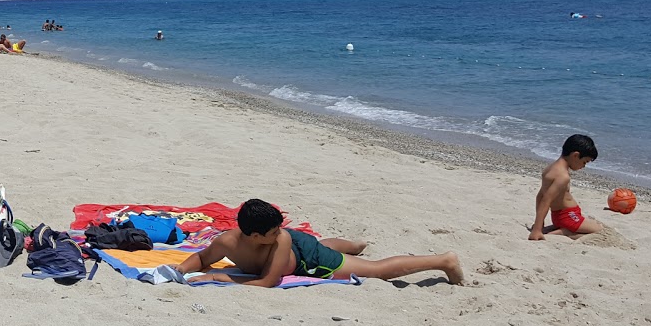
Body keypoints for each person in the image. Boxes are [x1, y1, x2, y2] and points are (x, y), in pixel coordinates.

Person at [175, 199, 464, 286]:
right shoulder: (227, 242)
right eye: (273, 230)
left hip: (306, 259)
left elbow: (268, 282)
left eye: (278, 228)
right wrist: (180, 271)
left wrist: (216, 276)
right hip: (301, 247)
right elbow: (201, 258)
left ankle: (443, 260)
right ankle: (353, 244)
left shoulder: (281, 239)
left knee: (376, 271)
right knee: (320, 243)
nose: (279, 231)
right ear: (253, 236)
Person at [529, 134, 603, 240]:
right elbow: (546, 200)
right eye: (584, 162)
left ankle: (562, 229)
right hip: (569, 217)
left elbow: (540, 196)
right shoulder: (563, 176)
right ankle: (565, 231)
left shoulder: (549, 169)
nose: (583, 166)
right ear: (575, 155)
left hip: (560, 216)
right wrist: (537, 230)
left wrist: (539, 223)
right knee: (600, 230)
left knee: (592, 225)